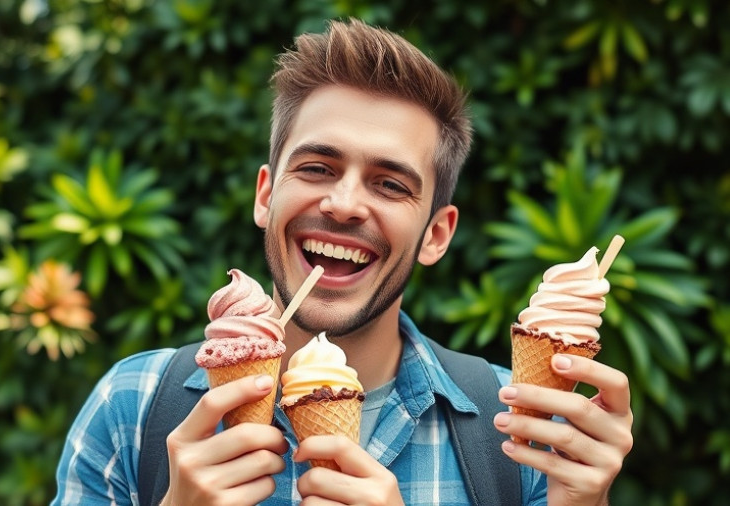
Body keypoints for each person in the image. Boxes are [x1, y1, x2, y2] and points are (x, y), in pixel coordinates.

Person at [51, 18, 633, 505]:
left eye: (389, 183)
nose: (344, 204)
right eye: (317, 168)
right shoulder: (132, 408)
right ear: (264, 195)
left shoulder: (530, 441)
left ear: (436, 234)